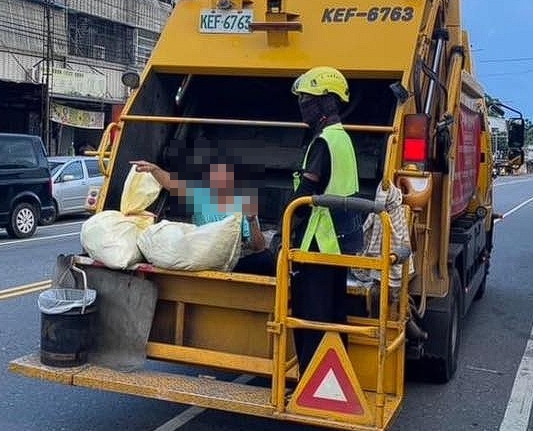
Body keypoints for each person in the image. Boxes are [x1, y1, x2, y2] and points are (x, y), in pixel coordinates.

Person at [288, 66, 362, 374]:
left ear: (325, 103)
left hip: (318, 244)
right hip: (339, 246)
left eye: (308, 99)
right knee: (334, 315)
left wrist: (286, 226)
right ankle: (334, 379)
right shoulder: (343, 139)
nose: (303, 105)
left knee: (310, 319)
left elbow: (306, 193)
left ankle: (311, 385)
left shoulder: (323, 143)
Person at [132, 157, 276, 276]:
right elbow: (172, 184)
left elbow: (258, 247)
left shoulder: (241, 205)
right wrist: (154, 169)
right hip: (200, 258)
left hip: (228, 263)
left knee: (266, 259)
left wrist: (251, 221)